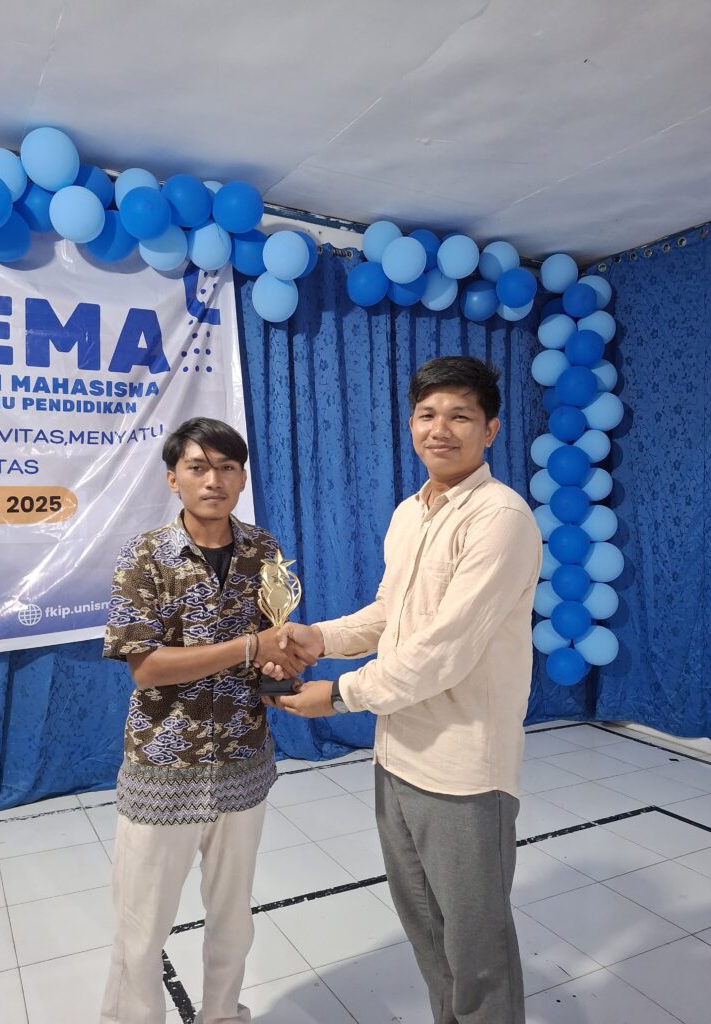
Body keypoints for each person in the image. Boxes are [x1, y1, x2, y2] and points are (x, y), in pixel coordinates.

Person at [272, 356, 542, 1024]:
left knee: (476, 949)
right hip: (397, 755)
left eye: (460, 416)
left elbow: (442, 650)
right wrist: (318, 638)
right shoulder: (409, 514)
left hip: (463, 768)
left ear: (490, 430)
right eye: (427, 414)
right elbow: (391, 614)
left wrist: (337, 696)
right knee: (426, 931)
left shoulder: (499, 519)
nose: (439, 429)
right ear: (411, 423)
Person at [99, 416, 314, 1024]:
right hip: (164, 766)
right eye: (197, 467)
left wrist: (279, 667)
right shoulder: (145, 556)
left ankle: (223, 1014)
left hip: (243, 759)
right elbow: (146, 669)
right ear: (174, 479)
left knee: (232, 917)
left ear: (242, 478)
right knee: (141, 926)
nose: (213, 480)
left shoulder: (264, 551)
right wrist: (249, 648)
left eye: (226, 467)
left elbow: (272, 642)